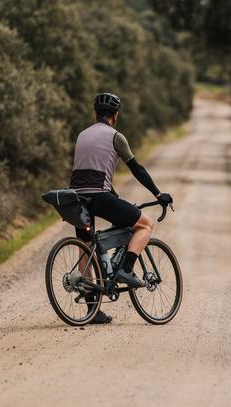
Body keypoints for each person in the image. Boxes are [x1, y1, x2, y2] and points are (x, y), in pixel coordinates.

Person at [71, 92, 172, 324]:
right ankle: (126, 270)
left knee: (86, 247)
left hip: (76, 199)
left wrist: (116, 197)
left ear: (95, 113)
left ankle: (92, 311)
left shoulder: (82, 135)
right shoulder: (116, 136)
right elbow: (137, 168)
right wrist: (158, 194)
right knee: (145, 225)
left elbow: (90, 174)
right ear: (115, 115)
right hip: (99, 197)